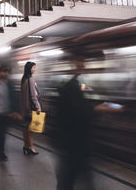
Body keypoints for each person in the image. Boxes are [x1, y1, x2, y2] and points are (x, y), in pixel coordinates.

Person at [56, 54, 123, 190]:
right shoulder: (70, 87)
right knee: (69, 180)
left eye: (83, 62)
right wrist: (99, 109)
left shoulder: (78, 84)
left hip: (77, 143)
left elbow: (85, 101)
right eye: (80, 62)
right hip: (73, 143)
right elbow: (78, 113)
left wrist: (99, 105)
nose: (83, 65)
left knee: (70, 180)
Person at [20, 61, 41, 155]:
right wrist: (38, 107)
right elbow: (33, 95)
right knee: (31, 129)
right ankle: (31, 148)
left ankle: (25, 145)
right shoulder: (31, 79)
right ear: (30, 68)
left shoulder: (23, 79)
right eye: (34, 67)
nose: (35, 69)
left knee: (26, 128)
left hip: (25, 108)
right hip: (30, 109)